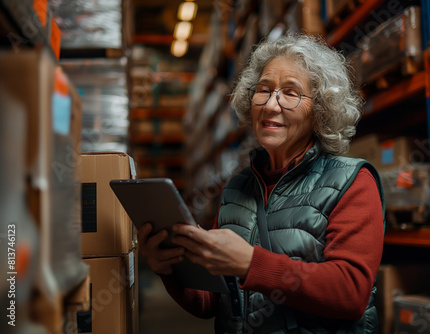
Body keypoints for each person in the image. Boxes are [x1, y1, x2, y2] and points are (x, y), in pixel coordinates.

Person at [138, 33, 385, 334]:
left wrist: (250, 263)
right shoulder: (235, 189)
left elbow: (351, 293)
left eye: (290, 93)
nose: (270, 105)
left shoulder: (352, 181)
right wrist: (168, 268)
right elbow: (212, 303)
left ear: (320, 110)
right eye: (263, 90)